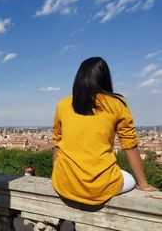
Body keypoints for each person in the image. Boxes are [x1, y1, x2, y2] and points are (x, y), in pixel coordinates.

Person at [51, 57, 157, 206]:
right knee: (129, 179)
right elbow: (129, 145)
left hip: (65, 182)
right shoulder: (117, 103)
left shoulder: (63, 104)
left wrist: (57, 175)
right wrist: (143, 184)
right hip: (98, 186)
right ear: (105, 77)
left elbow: (58, 144)